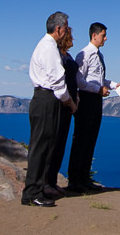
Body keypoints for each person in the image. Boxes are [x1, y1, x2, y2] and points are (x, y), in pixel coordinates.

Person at [21, 11, 77, 208]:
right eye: (66, 27)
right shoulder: (49, 48)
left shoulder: (45, 45)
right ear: (58, 29)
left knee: (45, 145)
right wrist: (70, 102)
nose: (67, 30)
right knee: (41, 146)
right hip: (46, 99)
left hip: (43, 98)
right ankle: (32, 192)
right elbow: (57, 82)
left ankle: (39, 188)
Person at [68, 22, 111, 193]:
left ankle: (84, 177)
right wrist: (98, 89)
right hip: (86, 100)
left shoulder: (99, 55)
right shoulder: (84, 54)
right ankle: (75, 180)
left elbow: (99, 79)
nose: (105, 38)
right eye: (103, 35)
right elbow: (79, 81)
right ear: (94, 35)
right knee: (81, 139)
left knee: (91, 138)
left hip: (96, 100)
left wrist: (114, 85)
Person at [44, 24, 80, 198]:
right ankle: (46, 183)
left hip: (70, 102)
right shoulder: (56, 54)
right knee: (54, 143)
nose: (72, 39)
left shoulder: (68, 56)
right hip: (61, 103)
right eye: (70, 36)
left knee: (61, 144)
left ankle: (52, 181)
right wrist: (70, 100)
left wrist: (76, 96)